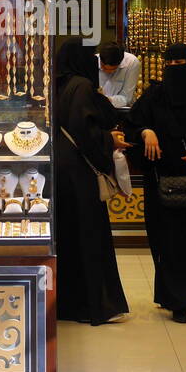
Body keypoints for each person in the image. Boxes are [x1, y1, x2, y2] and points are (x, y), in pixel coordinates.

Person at [129, 43, 186, 323]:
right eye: (171, 64)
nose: (176, 69)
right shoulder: (153, 97)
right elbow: (132, 123)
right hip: (159, 180)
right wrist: (146, 131)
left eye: (181, 63)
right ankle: (175, 296)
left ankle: (184, 296)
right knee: (164, 241)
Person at [53, 40, 129, 325]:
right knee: (88, 236)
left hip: (59, 170)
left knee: (68, 238)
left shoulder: (56, 84)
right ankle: (91, 305)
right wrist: (110, 140)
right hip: (78, 173)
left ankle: (66, 303)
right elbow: (85, 131)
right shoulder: (82, 86)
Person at [97, 41, 139, 107]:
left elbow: (126, 97)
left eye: (113, 69)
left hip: (122, 110)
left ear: (120, 62)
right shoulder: (93, 60)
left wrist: (106, 100)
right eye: (104, 68)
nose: (108, 72)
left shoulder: (131, 62)